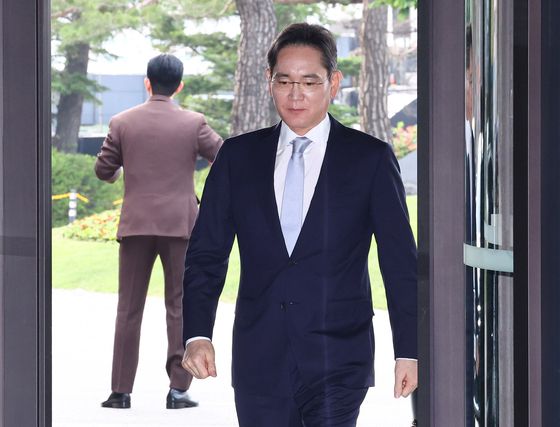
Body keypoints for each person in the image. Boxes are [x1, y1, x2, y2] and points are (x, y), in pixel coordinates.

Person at [181, 23, 417, 426]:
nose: (295, 94)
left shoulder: (370, 159)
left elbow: (399, 262)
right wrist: (197, 334)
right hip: (259, 359)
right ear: (269, 81)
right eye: (284, 81)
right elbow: (206, 254)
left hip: (339, 358)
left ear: (333, 83)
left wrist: (408, 350)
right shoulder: (237, 158)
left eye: (309, 82)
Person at [95, 53, 222, 409]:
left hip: (136, 225)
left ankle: (120, 391)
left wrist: (120, 172)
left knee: (128, 308)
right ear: (179, 86)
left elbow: (104, 169)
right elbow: (223, 156)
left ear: (147, 83)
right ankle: (178, 390)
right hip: (180, 225)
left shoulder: (122, 121)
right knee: (179, 306)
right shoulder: (193, 122)